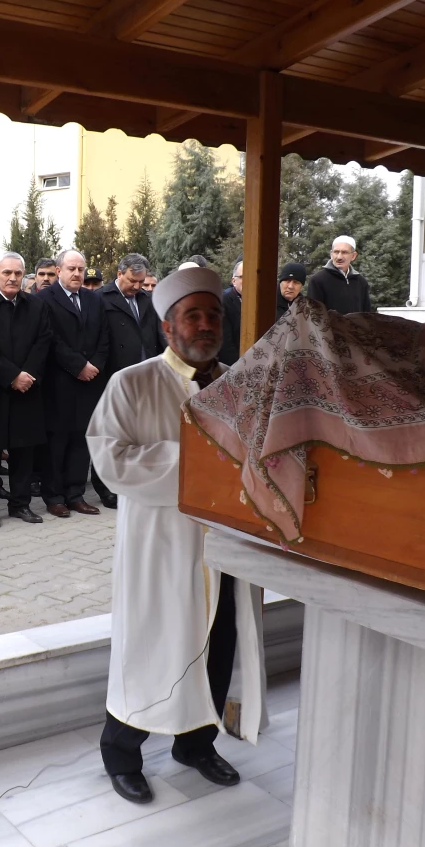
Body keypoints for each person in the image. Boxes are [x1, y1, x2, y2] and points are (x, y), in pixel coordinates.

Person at [87, 265, 266, 805]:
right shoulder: (133, 383)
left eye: (213, 314)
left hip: (225, 541)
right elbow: (110, 459)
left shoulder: (239, 383)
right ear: (169, 326)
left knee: (217, 642)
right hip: (161, 543)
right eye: (193, 316)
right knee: (150, 644)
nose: (206, 324)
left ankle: (196, 744)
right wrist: (198, 459)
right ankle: (122, 753)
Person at [0, 252, 51, 527]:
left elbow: (43, 342)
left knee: (24, 452)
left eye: (18, 273)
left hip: (28, 389)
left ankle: (20, 504)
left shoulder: (36, 306)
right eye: (7, 273)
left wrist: (26, 375)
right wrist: (12, 376)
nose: (12, 278)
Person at [39, 249, 108, 518]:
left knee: (81, 440)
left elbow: (104, 336)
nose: (77, 274)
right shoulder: (45, 299)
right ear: (59, 271)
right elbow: (50, 338)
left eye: (81, 269)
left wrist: (95, 365)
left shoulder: (94, 299)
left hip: (89, 382)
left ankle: (75, 494)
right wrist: (78, 365)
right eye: (71, 269)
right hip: (60, 381)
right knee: (57, 442)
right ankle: (54, 496)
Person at [94, 253, 164, 509]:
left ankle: (135, 481)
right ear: (120, 273)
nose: (137, 286)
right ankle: (106, 487)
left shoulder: (147, 300)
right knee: (112, 435)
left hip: (145, 376)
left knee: (140, 435)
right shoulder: (100, 298)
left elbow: (156, 336)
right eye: (133, 281)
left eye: (141, 281)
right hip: (115, 376)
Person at [306, 234, 372, 314]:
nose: (339, 257)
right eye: (336, 252)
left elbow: (367, 316)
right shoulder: (318, 281)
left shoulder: (361, 282)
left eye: (344, 252)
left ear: (353, 256)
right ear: (331, 254)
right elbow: (314, 316)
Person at [218, 259, 243, 365]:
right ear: (233, 281)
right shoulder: (224, 301)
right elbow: (226, 344)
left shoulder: (260, 301)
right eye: (242, 277)